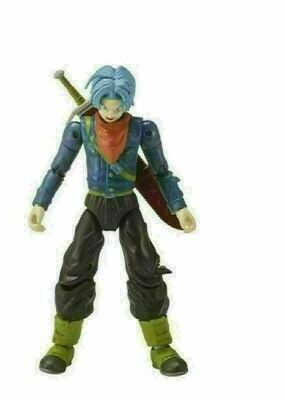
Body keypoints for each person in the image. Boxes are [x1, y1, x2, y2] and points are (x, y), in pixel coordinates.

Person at [28, 65, 196, 376]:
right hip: (94, 206)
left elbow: (161, 172)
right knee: (75, 266)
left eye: (118, 107)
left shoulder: (142, 129)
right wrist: (40, 203)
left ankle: (161, 346)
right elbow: (57, 169)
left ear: (128, 103)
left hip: (127, 206)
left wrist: (179, 206)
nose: (111, 112)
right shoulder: (81, 129)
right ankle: (62, 344)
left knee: (145, 268)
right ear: (96, 101)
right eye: (105, 106)